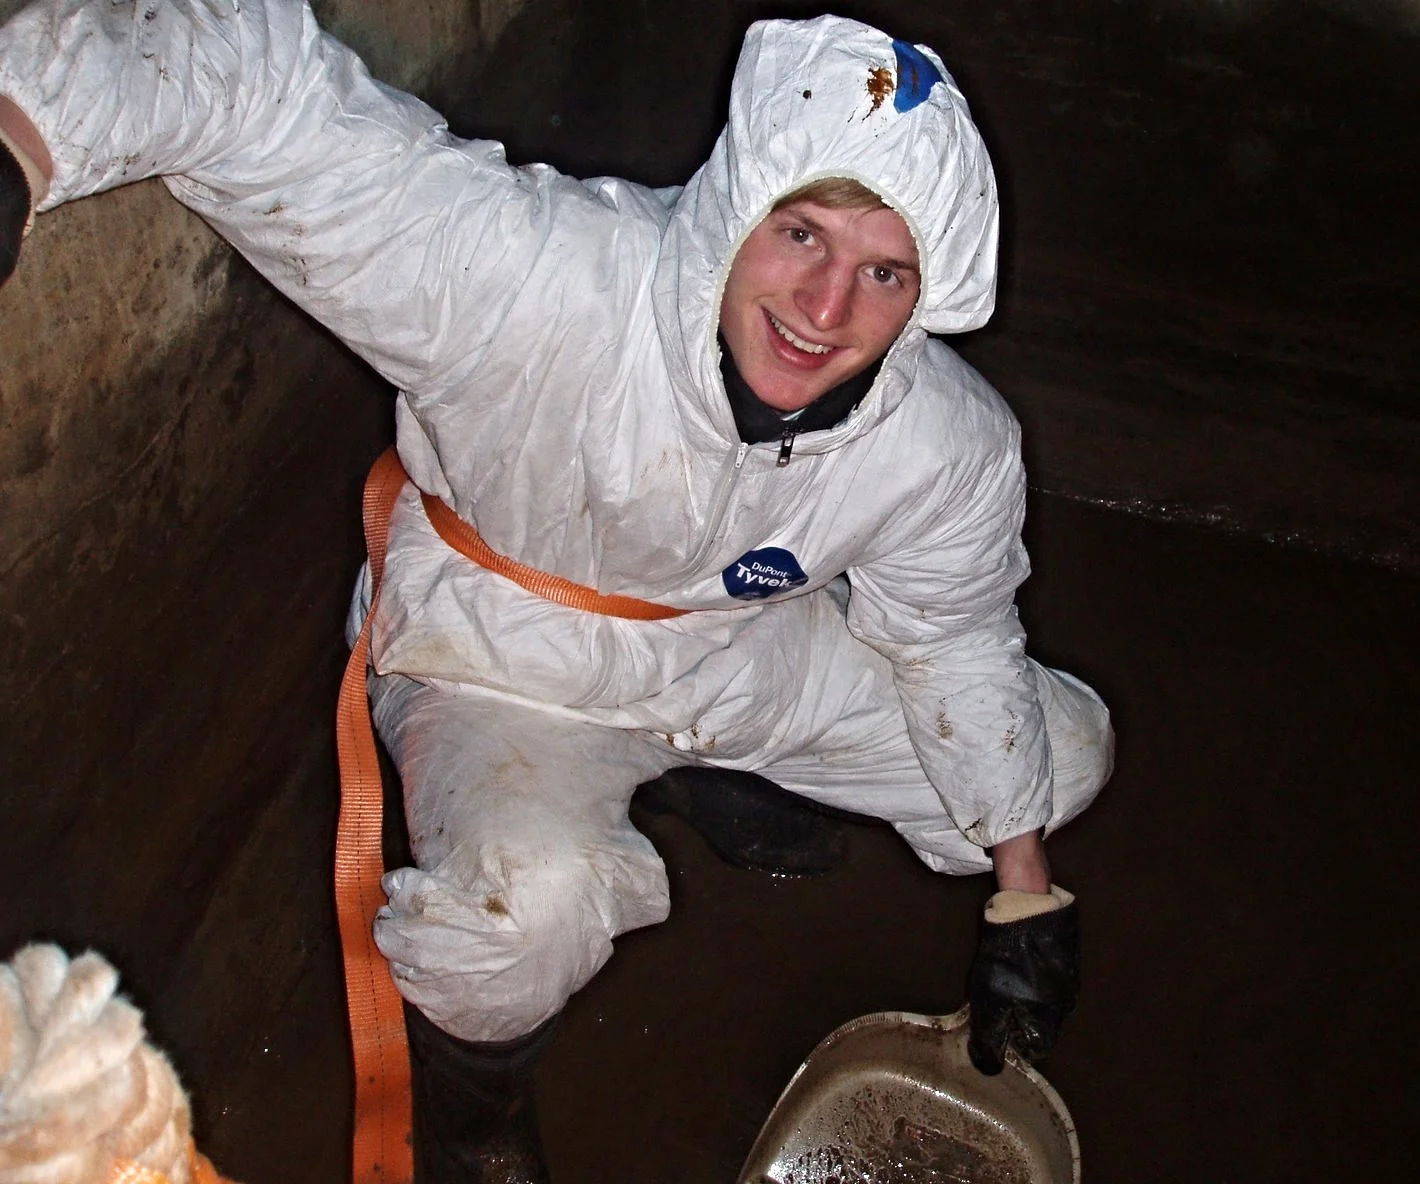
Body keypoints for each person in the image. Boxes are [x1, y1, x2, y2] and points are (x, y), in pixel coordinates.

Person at [0, 2, 1114, 1180]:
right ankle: (474, 1107)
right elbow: (249, 85)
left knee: (1064, 750)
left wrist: (1022, 898)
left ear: (925, 291)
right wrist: (20, 141)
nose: (824, 309)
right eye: (800, 234)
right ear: (737, 203)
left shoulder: (941, 438)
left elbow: (954, 638)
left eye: (882, 271)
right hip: (501, 659)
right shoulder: (534, 276)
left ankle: (692, 765)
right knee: (521, 915)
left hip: (727, 650)